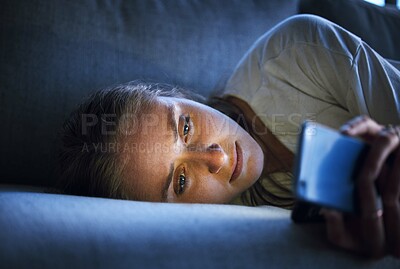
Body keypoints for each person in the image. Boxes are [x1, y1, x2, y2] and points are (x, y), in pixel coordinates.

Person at [57, 15, 400, 258]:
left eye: (186, 127)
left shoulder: (296, 53)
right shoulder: (232, 227)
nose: (217, 158)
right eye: (180, 182)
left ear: (183, 96)